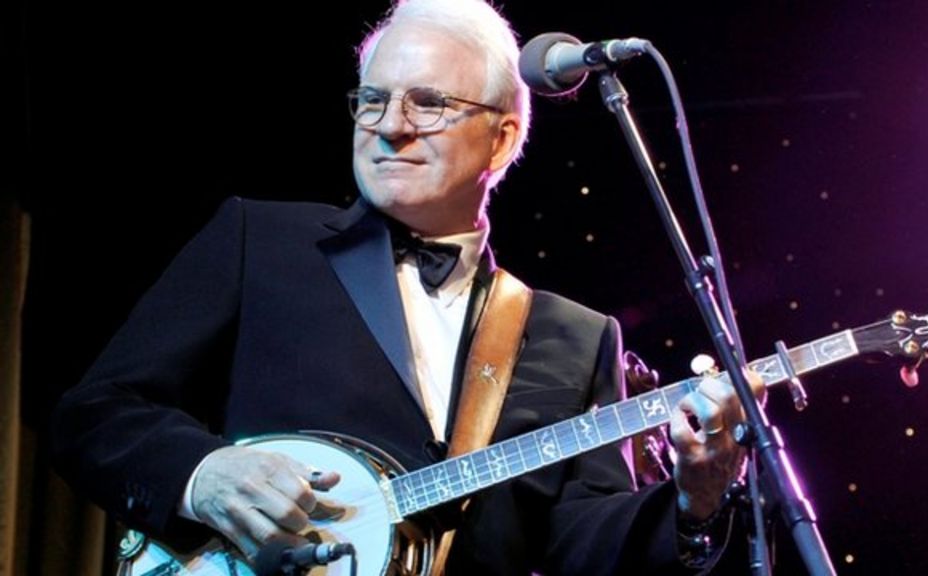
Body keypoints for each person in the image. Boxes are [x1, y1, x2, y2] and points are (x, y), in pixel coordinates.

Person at [51, 0, 761, 574]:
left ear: (503, 138)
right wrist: (203, 473)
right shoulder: (259, 241)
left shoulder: (575, 335)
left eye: (428, 103)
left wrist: (695, 500)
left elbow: (580, 543)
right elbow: (96, 414)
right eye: (373, 100)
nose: (391, 126)